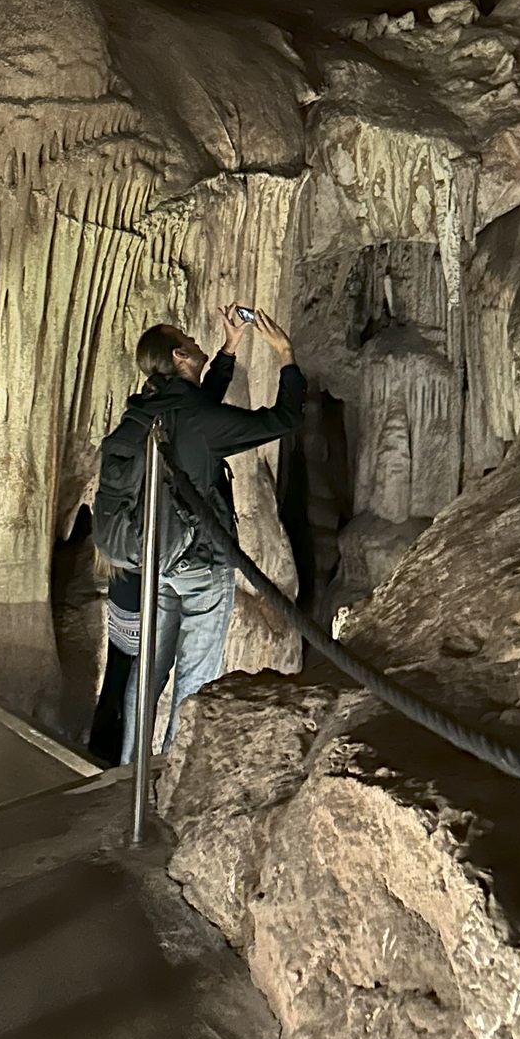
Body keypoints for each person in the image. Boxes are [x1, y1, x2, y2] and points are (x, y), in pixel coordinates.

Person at [94, 306, 304, 763]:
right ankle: (169, 780)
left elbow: (198, 410)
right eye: (188, 339)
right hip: (201, 563)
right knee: (195, 676)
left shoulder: (148, 408)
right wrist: (286, 356)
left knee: (148, 672)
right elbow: (283, 420)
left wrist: (229, 349)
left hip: (157, 558)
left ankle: (128, 772)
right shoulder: (195, 419)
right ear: (180, 355)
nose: (195, 339)